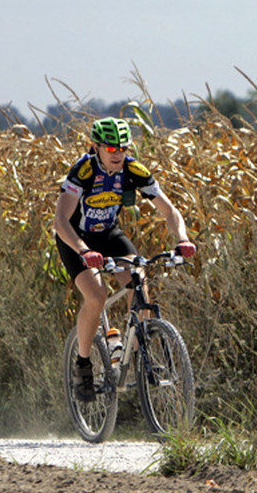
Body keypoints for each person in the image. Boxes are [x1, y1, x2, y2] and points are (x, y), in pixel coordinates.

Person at [54, 117, 196, 402]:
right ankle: (83, 365)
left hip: (108, 235)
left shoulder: (133, 170)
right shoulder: (83, 171)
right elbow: (60, 221)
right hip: (75, 238)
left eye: (122, 147)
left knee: (138, 281)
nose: (117, 153)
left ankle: (137, 351)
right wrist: (83, 251)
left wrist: (182, 239)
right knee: (96, 296)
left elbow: (170, 211)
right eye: (110, 148)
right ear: (96, 147)